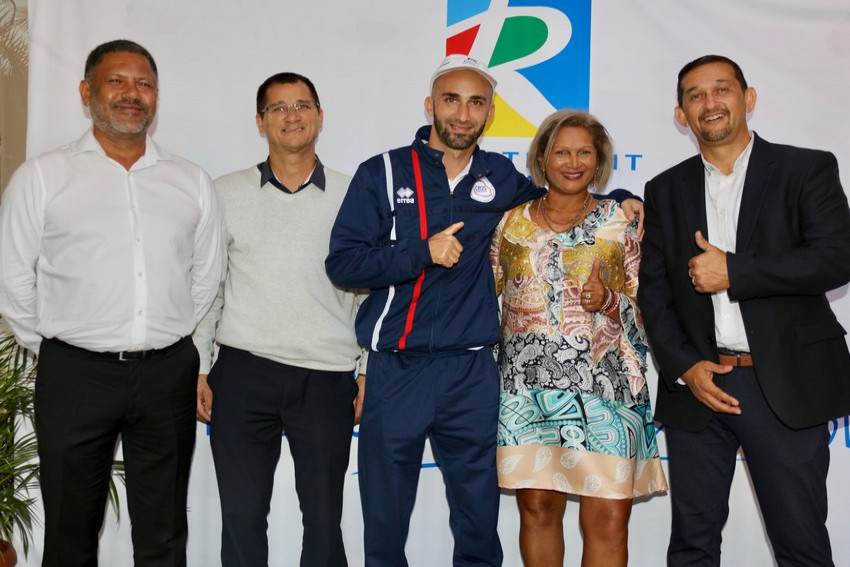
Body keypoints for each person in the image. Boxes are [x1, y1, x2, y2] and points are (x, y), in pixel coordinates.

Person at [325, 55, 643, 567]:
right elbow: (343, 264)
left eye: (476, 102)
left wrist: (622, 197)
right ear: (431, 105)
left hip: (472, 371)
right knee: (384, 517)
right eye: (451, 99)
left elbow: (561, 194)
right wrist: (420, 253)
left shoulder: (500, 176)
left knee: (477, 519)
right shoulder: (381, 172)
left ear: (490, 113)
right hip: (396, 367)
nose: (462, 113)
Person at [0, 39, 222, 566]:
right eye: (117, 81)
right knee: (71, 534)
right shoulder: (43, 176)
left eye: (144, 84)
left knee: (164, 532)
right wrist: (57, 346)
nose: (132, 94)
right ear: (87, 92)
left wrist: (170, 337)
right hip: (76, 374)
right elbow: (12, 277)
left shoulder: (189, 180)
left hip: (167, 373)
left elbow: (206, 275)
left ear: (156, 98)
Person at [638, 54, 850, 566]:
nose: (710, 103)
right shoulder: (665, 188)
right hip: (698, 386)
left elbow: (835, 258)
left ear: (747, 98)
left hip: (782, 384)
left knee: (800, 543)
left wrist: (736, 273)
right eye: (695, 95)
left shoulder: (806, 168)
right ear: (681, 115)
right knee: (691, 545)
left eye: (721, 90)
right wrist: (685, 366)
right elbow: (654, 292)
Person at [193, 72, 365, 567]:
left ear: (319, 116)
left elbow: (372, 294)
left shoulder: (355, 195)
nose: (292, 116)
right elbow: (210, 287)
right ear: (260, 122)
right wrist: (200, 366)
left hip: (327, 375)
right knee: (242, 519)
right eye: (279, 108)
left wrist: (366, 370)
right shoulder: (224, 193)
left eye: (302, 105)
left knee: (324, 520)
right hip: (243, 372)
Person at [492, 109, 667, 567]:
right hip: (526, 394)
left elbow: (655, 310)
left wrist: (609, 300)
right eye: (562, 152)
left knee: (609, 517)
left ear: (599, 160)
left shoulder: (621, 222)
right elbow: (488, 306)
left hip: (607, 392)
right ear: (542, 159)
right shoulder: (509, 225)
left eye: (584, 152)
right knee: (537, 509)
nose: (573, 162)